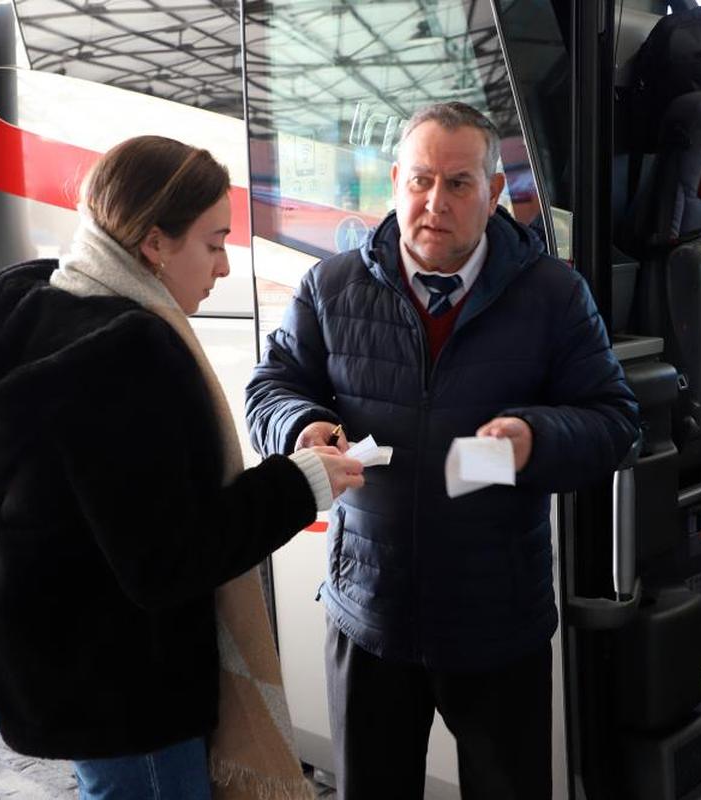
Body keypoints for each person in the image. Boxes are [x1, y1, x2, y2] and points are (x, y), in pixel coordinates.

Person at [0, 135, 364, 800]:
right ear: (155, 244)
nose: (222, 265)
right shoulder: (126, 357)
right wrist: (302, 483)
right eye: (213, 242)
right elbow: (167, 562)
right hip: (128, 693)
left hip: (67, 671)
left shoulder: (43, 309)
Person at [245, 102, 640, 799]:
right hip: (369, 611)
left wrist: (535, 438)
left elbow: (614, 420)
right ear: (395, 182)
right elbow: (271, 385)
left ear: (494, 194)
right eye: (421, 180)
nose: (435, 202)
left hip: (496, 618)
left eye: (459, 184)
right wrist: (300, 427)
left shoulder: (552, 295)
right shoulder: (332, 287)